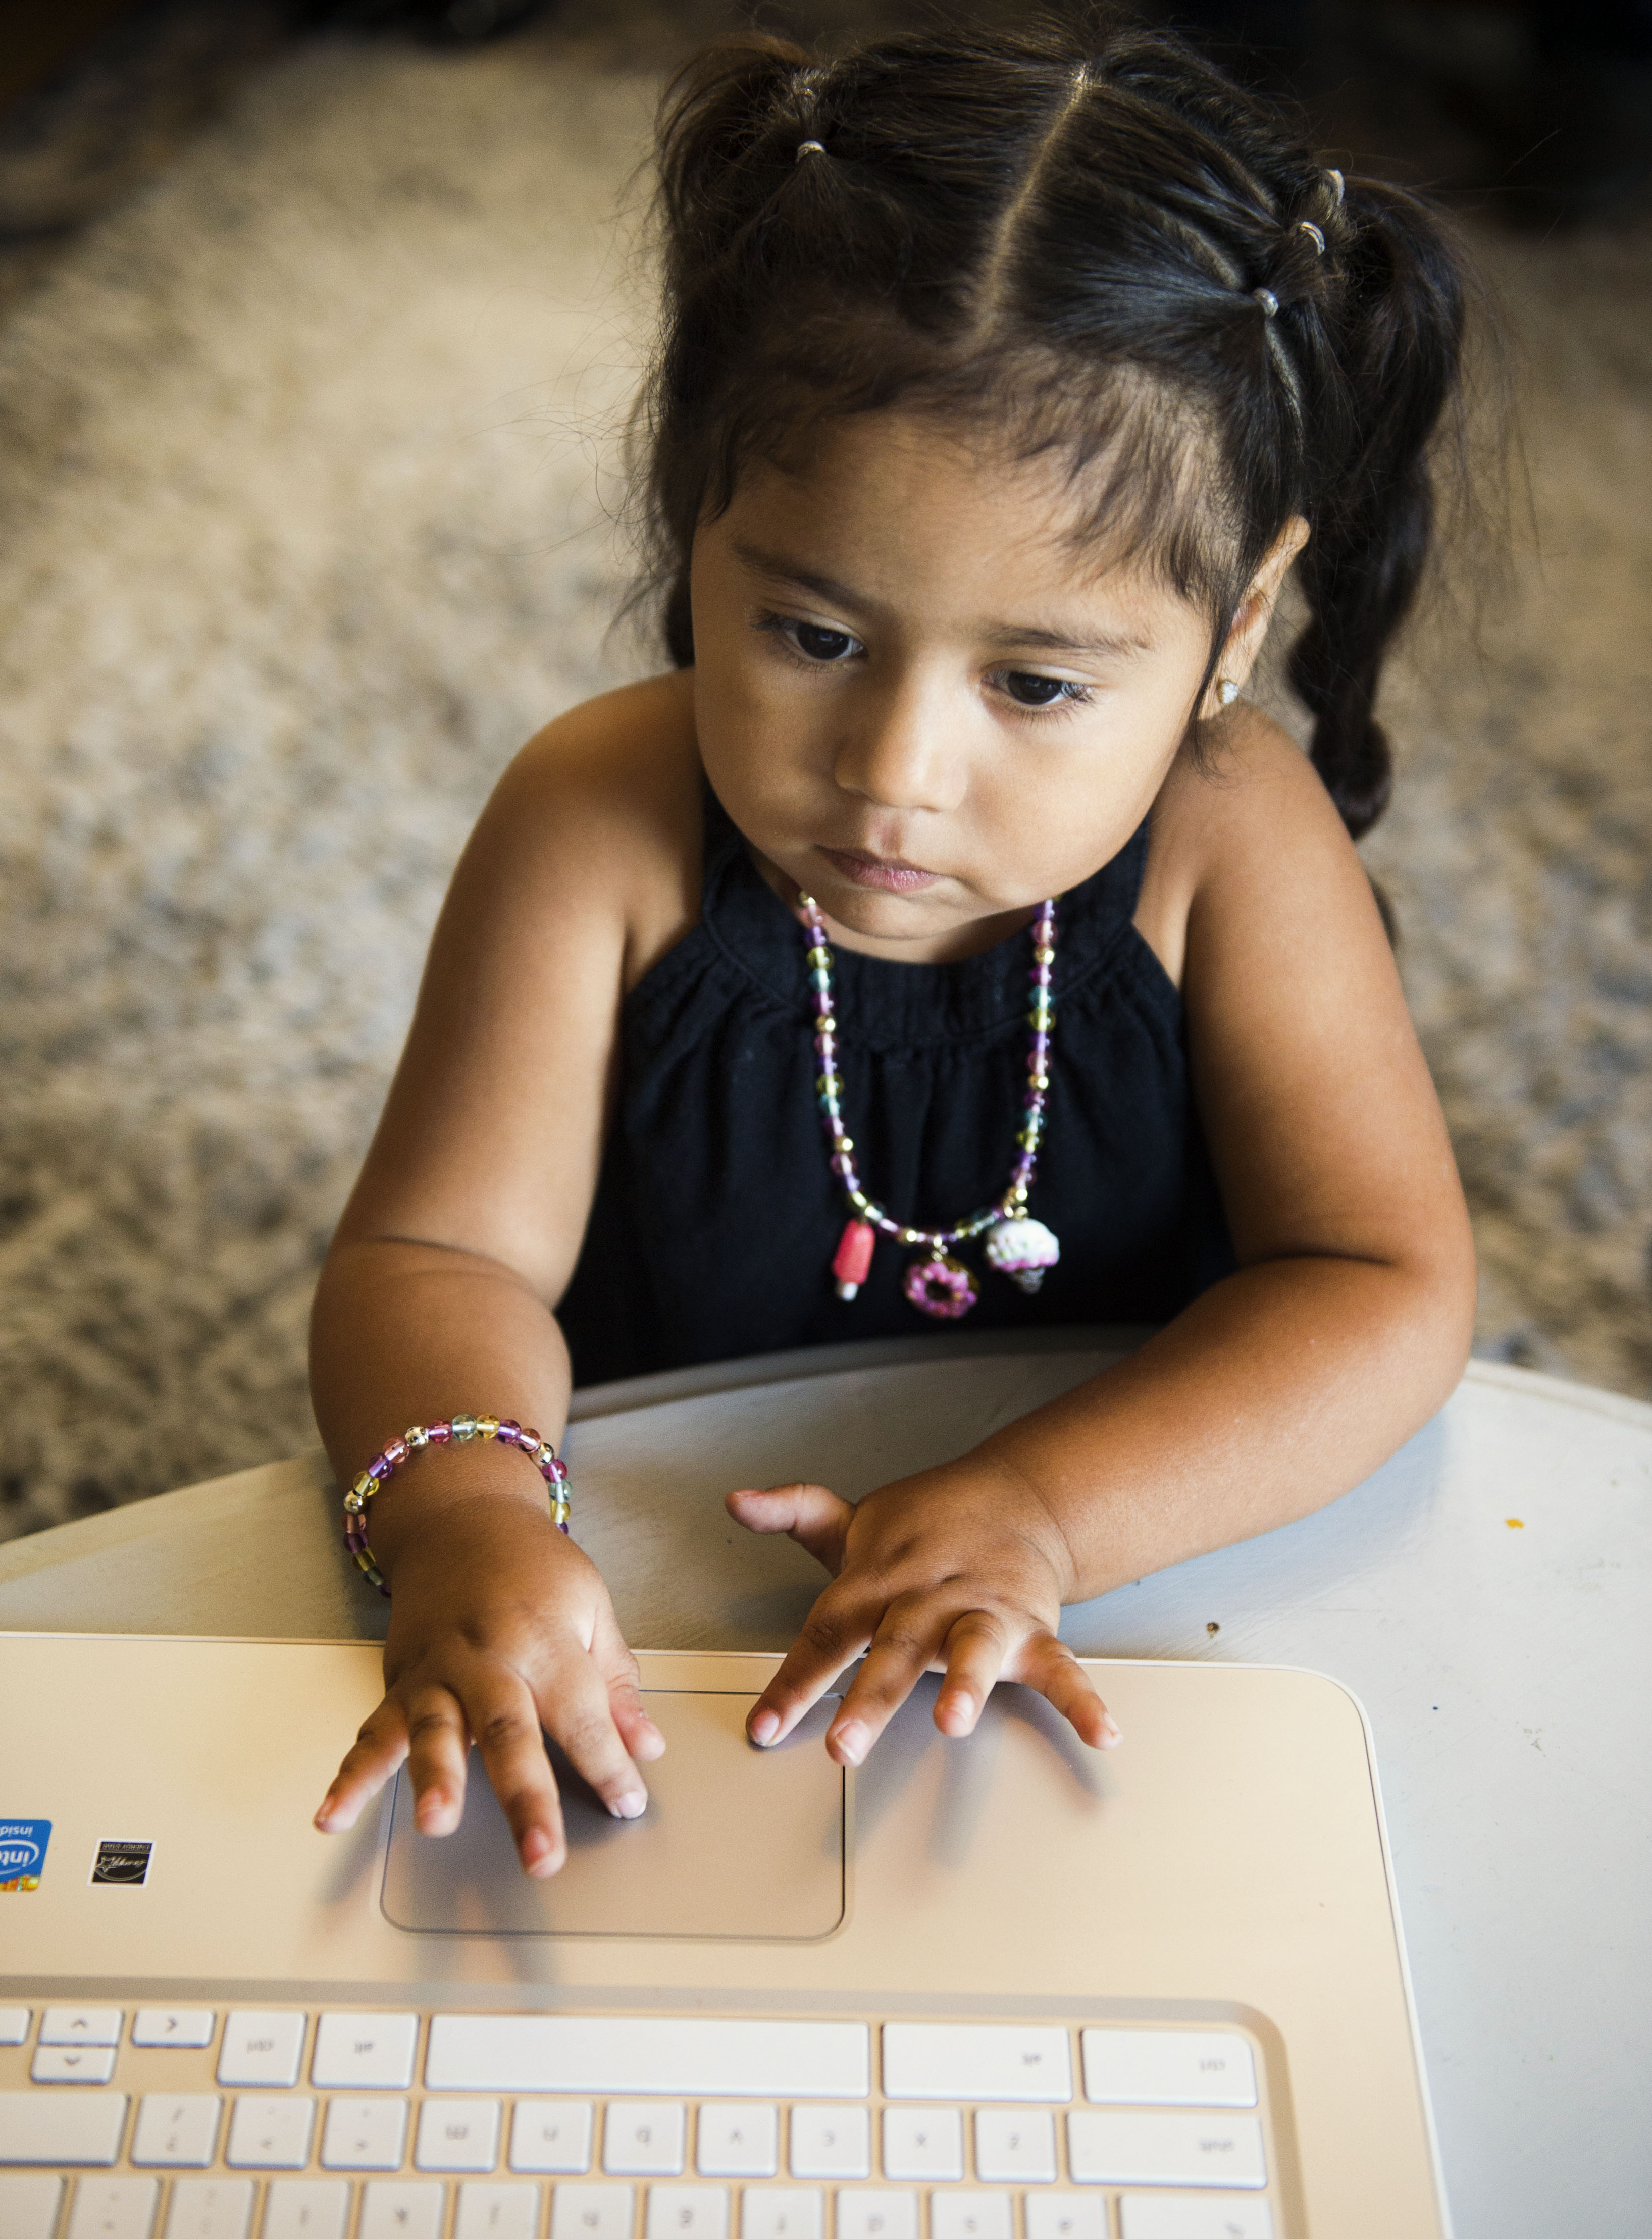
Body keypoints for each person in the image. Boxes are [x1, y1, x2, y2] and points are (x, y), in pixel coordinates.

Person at [309, 16, 1479, 1879]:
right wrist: (463, 1519)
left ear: (1238, 618)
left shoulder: (1232, 839)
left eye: (1034, 682)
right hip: (665, 1607)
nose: (893, 776)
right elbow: (437, 1249)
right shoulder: (596, 813)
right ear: (699, 516)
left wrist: (1045, 1512)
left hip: (1124, 1594)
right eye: (815, 637)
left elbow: (1385, 1281)